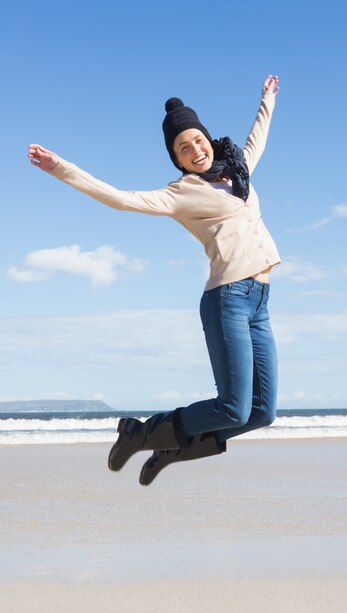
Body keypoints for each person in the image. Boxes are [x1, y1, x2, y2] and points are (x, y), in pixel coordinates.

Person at [28, 74, 281, 485]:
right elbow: (120, 199)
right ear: (177, 158)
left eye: (198, 140)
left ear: (208, 140)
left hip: (260, 300)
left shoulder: (239, 169)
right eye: (184, 148)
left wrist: (266, 98)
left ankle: (173, 450)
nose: (195, 150)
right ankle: (141, 432)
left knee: (263, 412)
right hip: (227, 298)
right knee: (234, 408)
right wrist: (62, 169)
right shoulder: (180, 193)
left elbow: (258, 139)